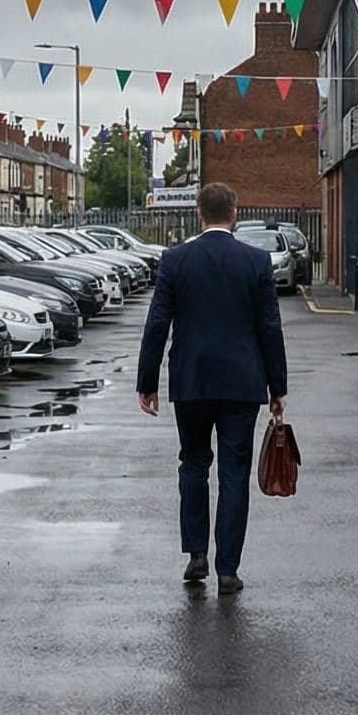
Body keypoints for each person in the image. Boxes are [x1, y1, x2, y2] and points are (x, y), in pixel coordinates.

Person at [135, 181, 290, 593]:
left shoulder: (175, 259)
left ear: (199, 213)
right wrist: (279, 385)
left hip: (191, 380)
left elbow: (157, 325)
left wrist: (147, 382)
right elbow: (269, 328)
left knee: (194, 463)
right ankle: (228, 569)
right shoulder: (256, 262)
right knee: (234, 472)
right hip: (243, 382)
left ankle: (196, 554)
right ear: (234, 212)